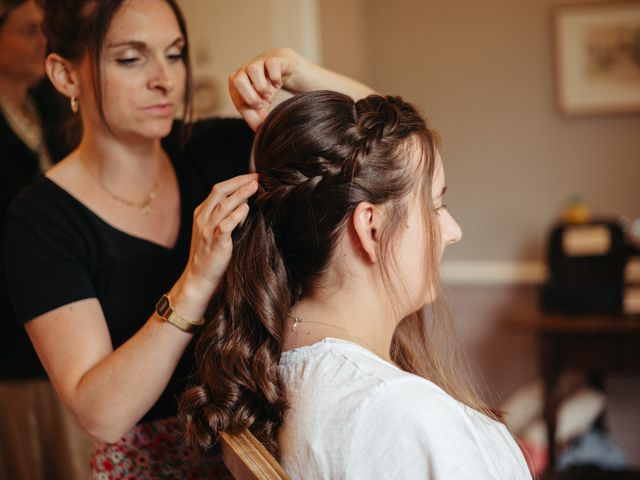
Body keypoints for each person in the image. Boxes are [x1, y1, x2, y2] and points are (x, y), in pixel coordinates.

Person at [3, 0, 374, 477]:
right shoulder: (39, 221)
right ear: (64, 75)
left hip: (266, 444)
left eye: (174, 54)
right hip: (151, 465)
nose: (165, 79)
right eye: (130, 59)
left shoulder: (220, 148)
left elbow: (391, 147)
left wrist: (300, 72)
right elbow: (101, 414)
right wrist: (195, 281)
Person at [180, 90, 534, 479]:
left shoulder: (263, 374)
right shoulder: (406, 417)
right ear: (371, 227)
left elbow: (384, 149)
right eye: (435, 207)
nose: (452, 231)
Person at [0, 1, 90, 478]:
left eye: (45, 32)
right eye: (28, 31)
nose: (41, 43)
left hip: (57, 303)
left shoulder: (47, 108)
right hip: (9, 329)